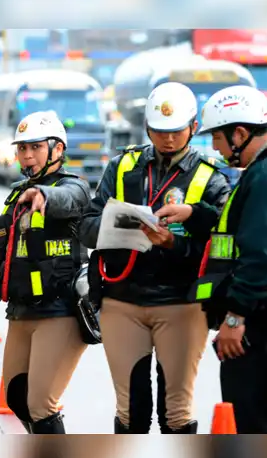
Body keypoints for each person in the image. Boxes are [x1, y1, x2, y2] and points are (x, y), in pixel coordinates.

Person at [79, 82, 231, 434]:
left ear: (193, 127)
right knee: (130, 412)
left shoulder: (210, 178)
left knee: (176, 412)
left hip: (182, 304)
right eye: (160, 132)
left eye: (177, 131)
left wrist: (171, 245)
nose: (168, 139)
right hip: (122, 302)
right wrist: (119, 229)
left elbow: (223, 249)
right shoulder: (121, 168)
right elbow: (86, 226)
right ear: (147, 128)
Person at [185, 84, 267, 434]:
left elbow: (261, 256)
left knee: (253, 424)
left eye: (218, 138)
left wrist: (234, 319)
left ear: (239, 133)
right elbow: (244, 230)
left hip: (255, 323)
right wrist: (193, 214)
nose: (214, 146)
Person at [0, 111, 91, 434]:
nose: (27, 155)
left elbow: (68, 200)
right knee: (17, 398)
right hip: (21, 311)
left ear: (58, 150)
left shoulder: (73, 188)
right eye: (21, 149)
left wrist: (44, 195)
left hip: (60, 311)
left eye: (35, 147)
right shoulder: (14, 198)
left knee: (41, 404)